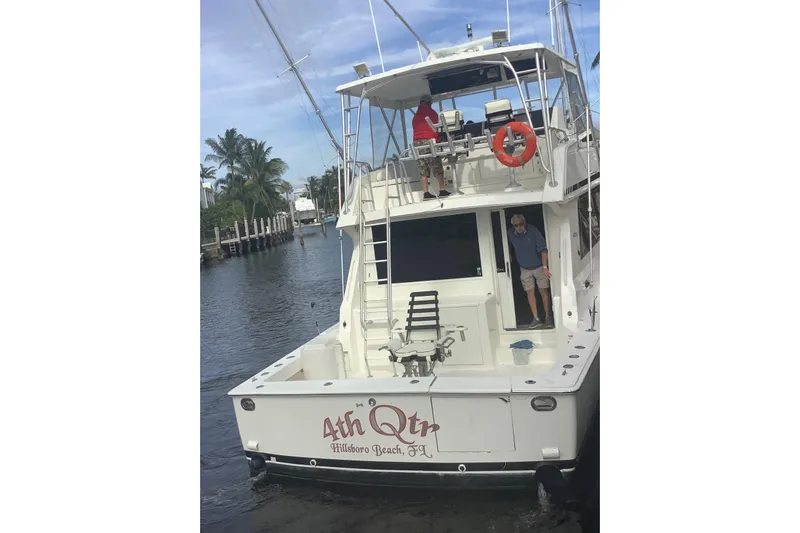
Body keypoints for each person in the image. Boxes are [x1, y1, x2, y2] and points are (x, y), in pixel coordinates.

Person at [507, 214, 553, 329]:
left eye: (521, 224)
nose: (519, 227)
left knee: (544, 292)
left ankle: (548, 318)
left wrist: (545, 267)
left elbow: (543, 249)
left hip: (539, 267)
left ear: (525, 222)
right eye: (516, 225)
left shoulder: (533, 230)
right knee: (530, 293)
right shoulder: (510, 234)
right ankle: (536, 319)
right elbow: (508, 247)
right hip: (524, 268)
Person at [412, 95, 450, 200]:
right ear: (430, 103)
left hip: (416, 143)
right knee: (436, 165)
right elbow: (435, 128)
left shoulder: (415, 116)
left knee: (423, 168)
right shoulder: (432, 113)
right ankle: (442, 190)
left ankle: (426, 193)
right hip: (429, 141)